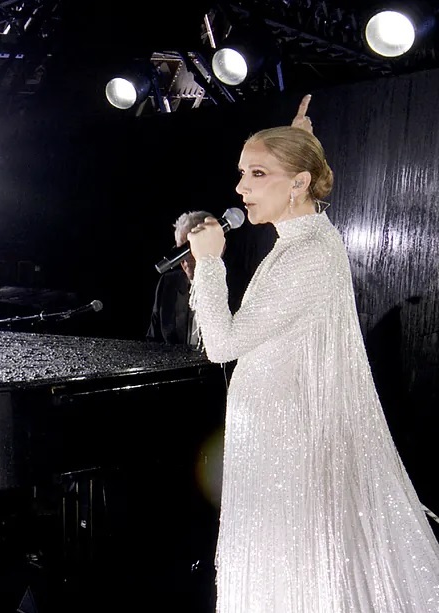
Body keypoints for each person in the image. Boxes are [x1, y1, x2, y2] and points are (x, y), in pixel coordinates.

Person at [187, 94, 439, 612]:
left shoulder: (309, 254)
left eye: (257, 174)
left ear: (299, 183)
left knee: (299, 564)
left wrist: (211, 265)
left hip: (288, 440)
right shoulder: (298, 243)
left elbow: (222, 345)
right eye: (242, 173)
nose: (239, 188)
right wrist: (299, 137)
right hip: (272, 434)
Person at [145, 210, 211, 349]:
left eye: (189, 249)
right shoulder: (168, 284)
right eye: (179, 251)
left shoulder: (239, 286)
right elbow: (153, 343)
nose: (184, 259)